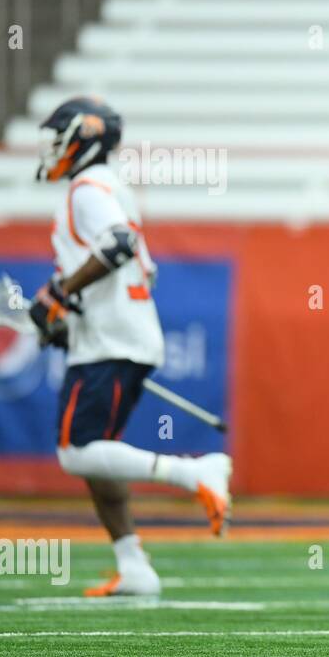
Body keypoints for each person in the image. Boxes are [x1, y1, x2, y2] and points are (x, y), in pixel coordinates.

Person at [30, 97, 232, 597]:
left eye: (59, 137)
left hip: (111, 339)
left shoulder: (87, 188)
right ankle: (133, 564)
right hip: (116, 334)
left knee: (77, 453)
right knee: (98, 456)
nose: (51, 149)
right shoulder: (112, 185)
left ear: (83, 137)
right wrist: (65, 316)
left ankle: (194, 471)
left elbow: (117, 245)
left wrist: (61, 293)